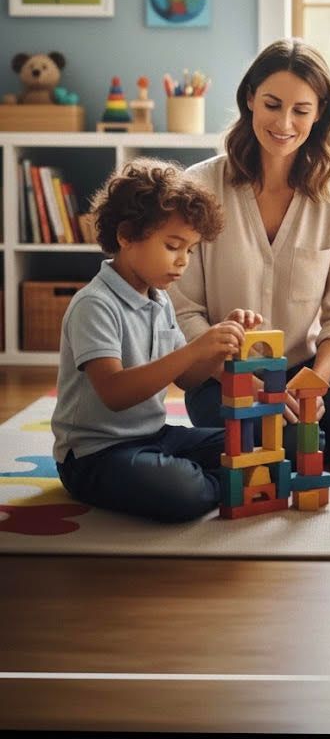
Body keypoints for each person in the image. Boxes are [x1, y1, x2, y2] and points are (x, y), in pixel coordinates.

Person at [169, 37, 330, 469]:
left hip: (307, 366)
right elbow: (184, 312)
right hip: (220, 373)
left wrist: (312, 383)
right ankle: (295, 444)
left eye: (301, 110)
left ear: (319, 115)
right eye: (273, 105)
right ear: (250, 100)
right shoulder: (200, 185)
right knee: (273, 444)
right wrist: (249, 387)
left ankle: (300, 440)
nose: (284, 123)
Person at [52, 158, 263, 523]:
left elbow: (186, 379)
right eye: (172, 246)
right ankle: (229, 483)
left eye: (190, 250)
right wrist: (195, 348)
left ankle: (229, 476)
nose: (183, 261)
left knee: (251, 441)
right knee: (182, 489)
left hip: (153, 436)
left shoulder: (159, 299)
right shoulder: (94, 304)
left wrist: (218, 348)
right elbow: (115, 393)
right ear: (126, 235)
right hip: (95, 455)